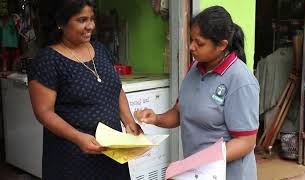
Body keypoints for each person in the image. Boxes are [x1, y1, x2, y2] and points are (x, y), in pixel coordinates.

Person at [134, 6, 259, 180]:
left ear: (222, 45)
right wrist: (156, 118)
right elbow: (180, 114)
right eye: (191, 39)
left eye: (199, 43)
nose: (191, 47)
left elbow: (246, 142)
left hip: (228, 174)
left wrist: (195, 163)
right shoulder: (194, 68)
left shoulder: (240, 80)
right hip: (197, 173)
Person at [28, 0, 142, 179]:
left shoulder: (100, 49)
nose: (90, 26)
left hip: (111, 153)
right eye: (82, 20)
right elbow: (44, 112)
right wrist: (77, 137)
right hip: (73, 157)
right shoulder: (48, 60)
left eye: (92, 19)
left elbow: (115, 89)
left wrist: (129, 122)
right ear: (61, 23)